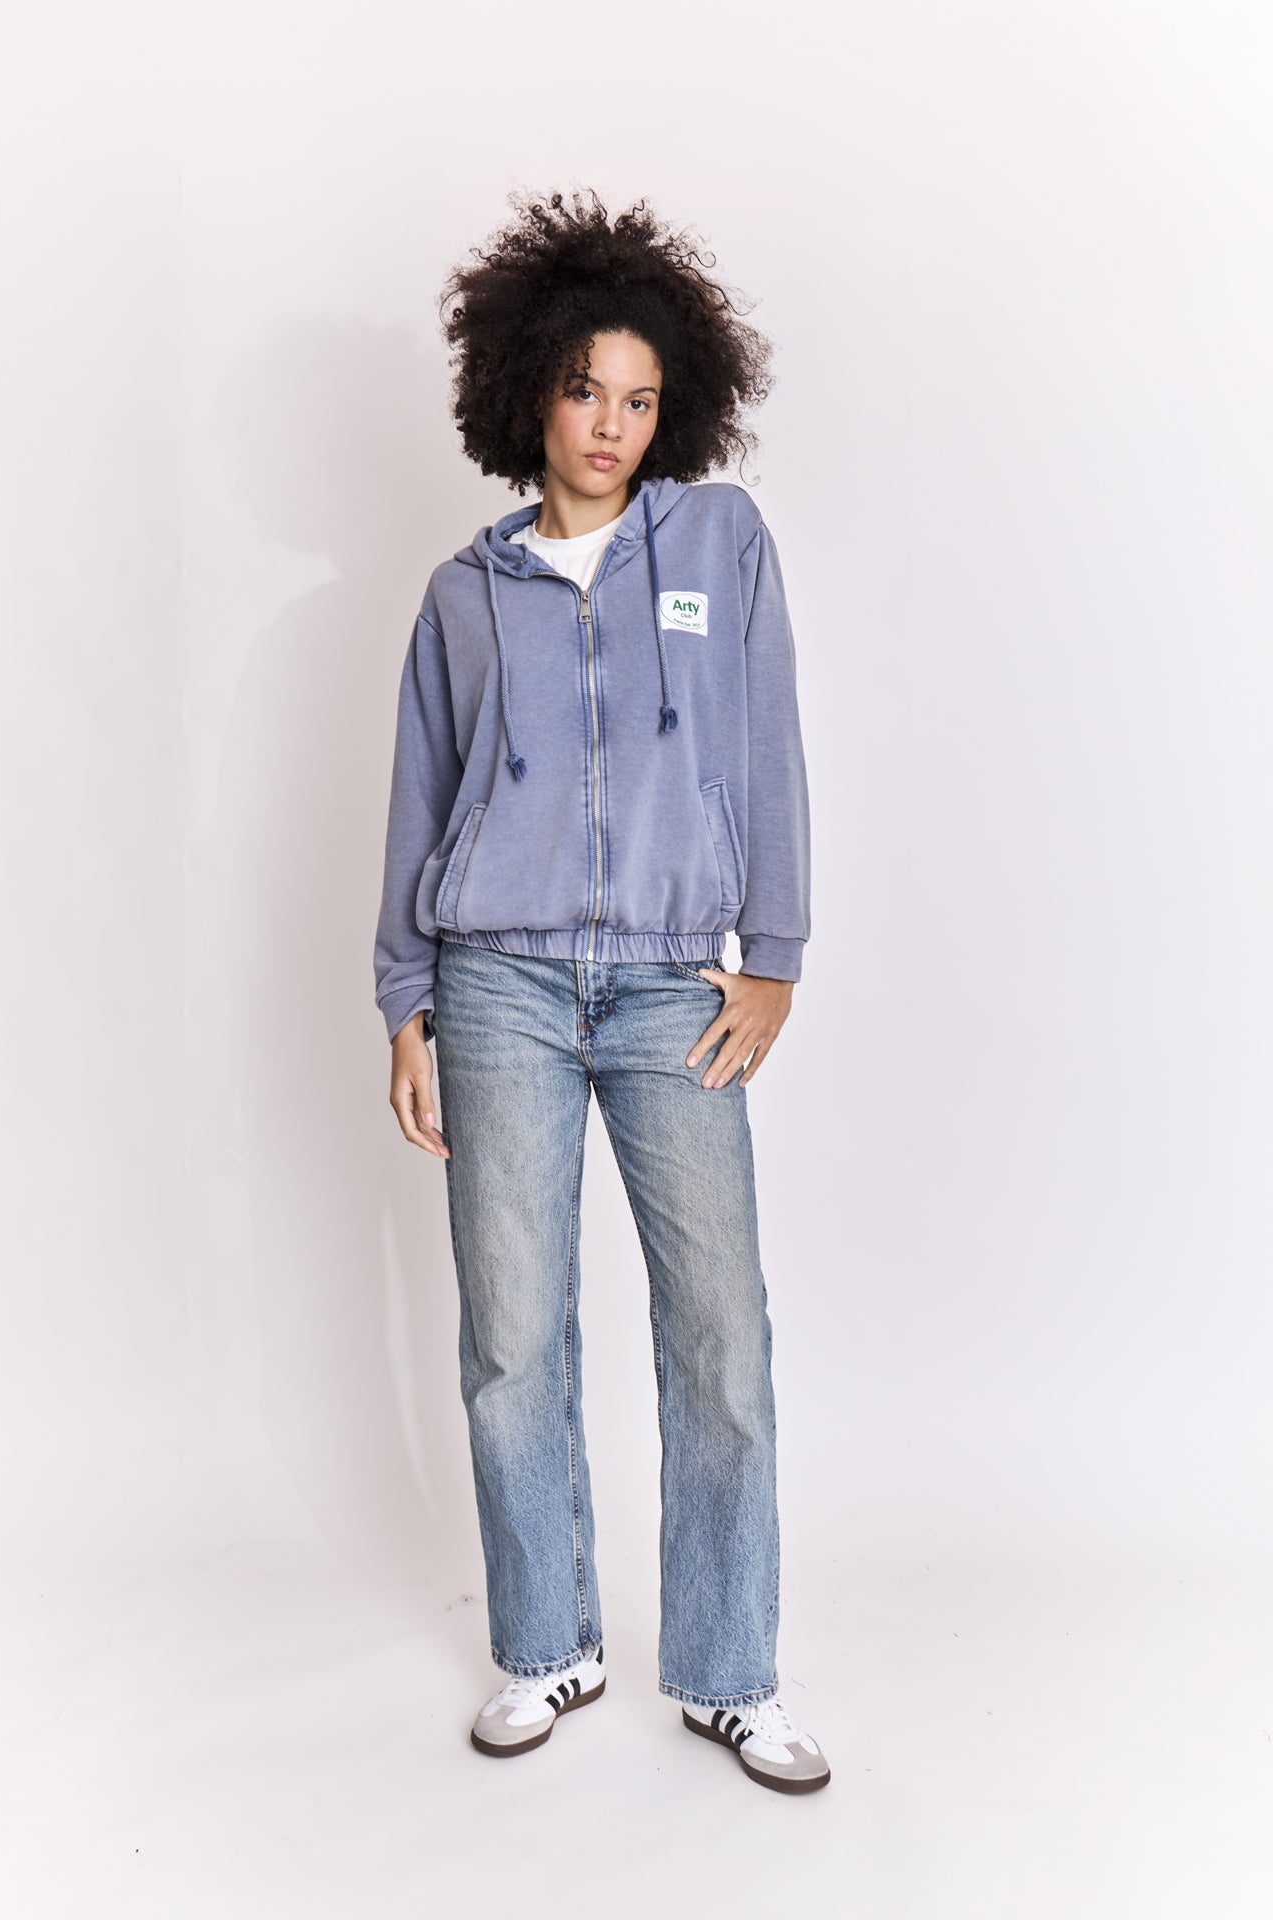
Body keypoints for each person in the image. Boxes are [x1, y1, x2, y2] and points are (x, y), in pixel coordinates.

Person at [373, 189, 827, 1794]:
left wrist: (773, 955)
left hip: (664, 986)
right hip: (493, 981)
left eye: (639, 398)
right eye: (584, 390)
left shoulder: (719, 544)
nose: (611, 425)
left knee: (721, 1335)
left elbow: (766, 744)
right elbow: (420, 802)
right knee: (512, 1333)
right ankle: (547, 1645)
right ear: (529, 392)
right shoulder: (464, 593)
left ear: (672, 407)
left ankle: (728, 1670)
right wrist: (404, 999)